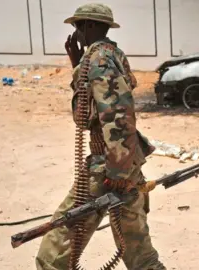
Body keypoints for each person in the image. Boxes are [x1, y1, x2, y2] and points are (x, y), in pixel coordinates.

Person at [35, 3, 167, 270]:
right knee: (139, 252)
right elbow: (93, 103)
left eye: (78, 26)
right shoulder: (107, 54)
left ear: (90, 26)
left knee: (52, 254)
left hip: (107, 166)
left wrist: (116, 171)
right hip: (120, 163)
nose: (76, 34)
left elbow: (117, 113)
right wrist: (77, 64)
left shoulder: (100, 59)